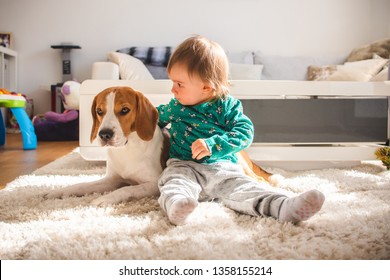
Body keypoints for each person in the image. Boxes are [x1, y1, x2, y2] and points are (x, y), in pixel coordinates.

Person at [157, 35, 325, 226]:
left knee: (247, 189)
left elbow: (245, 132)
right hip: (184, 165)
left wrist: (214, 144)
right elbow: (152, 120)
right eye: (172, 82)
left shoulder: (226, 107)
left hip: (221, 167)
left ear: (206, 87)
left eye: (179, 84)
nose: (173, 90)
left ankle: (284, 207)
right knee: (173, 182)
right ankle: (177, 206)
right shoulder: (174, 107)